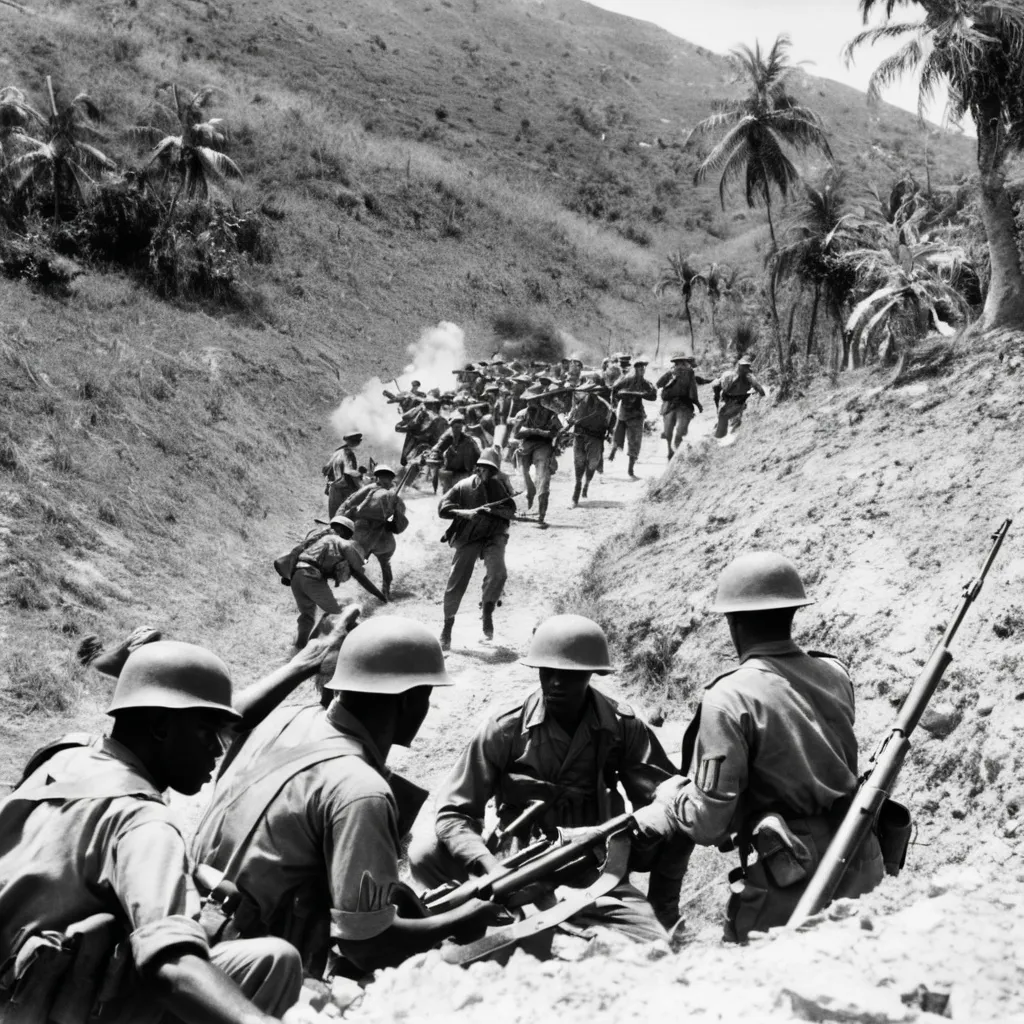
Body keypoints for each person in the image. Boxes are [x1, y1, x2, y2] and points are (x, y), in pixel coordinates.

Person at [0, 640, 323, 1024]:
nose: (218, 751)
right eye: (208, 734)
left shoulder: (66, 754)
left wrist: (190, 870)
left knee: (271, 958)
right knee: (255, 967)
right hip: (43, 1006)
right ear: (159, 728)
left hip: (14, 975)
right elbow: (171, 968)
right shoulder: (145, 823)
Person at [192, 618, 506, 980]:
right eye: (427, 695)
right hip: (253, 970)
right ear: (410, 701)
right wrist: (466, 917)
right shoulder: (361, 790)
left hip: (197, 929)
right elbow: (369, 948)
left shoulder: (281, 719)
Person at [631, 552, 885, 943]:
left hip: (792, 872)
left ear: (733, 622)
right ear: (792, 612)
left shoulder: (728, 697)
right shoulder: (835, 673)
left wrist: (674, 796)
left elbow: (708, 822)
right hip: (859, 851)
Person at [408, 614, 692, 940]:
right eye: (548, 671)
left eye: (569, 674)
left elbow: (670, 799)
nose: (556, 682)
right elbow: (453, 812)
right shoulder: (506, 727)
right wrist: (491, 867)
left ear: (591, 673)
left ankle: (662, 917)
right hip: (515, 860)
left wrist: (629, 834)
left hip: (590, 865)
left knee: (651, 941)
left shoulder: (621, 726)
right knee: (426, 853)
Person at [435, 448, 516, 650]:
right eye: (483, 469)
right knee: (457, 579)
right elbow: (443, 509)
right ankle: (447, 627)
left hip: (494, 535)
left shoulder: (498, 486)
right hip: (469, 536)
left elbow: (510, 510)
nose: (486, 473)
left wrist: (495, 511)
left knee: (498, 573)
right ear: (476, 468)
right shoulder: (463, 486)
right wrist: (465, 513)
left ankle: (487, 611)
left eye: (490, 470)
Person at [289, 514, 366, 649]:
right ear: (343, 531)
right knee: (336, 613)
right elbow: (357, 567)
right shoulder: (341, 542)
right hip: (311, 576)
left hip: (297, 575)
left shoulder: (317, 539)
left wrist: (289, 576)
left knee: (307, 616)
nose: (348, 537)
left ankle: (299, 647)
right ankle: (315, 646)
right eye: (348, 534)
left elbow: (295, 552)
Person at [337, 465, 407, 602]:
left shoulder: (388, 495)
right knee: (383, 562)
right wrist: (391, 517)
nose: (386, 481)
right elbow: (398, 518)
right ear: (379, 478)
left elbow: (348, 504)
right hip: (380, 536)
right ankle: (383, 591)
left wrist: (338, 521)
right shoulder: (389, 494)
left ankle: (364, 590)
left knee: (360, 558)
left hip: (369, 532)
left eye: (387, 478)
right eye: (385, 478)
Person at [510, 385, 562, 528]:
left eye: (532, 400)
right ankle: (528, 502)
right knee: (523, 477)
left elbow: (556, 432)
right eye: (528, 400)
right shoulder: (522, 413)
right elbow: (516, 433)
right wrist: (536, 431)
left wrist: (547, 434)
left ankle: (540, 515)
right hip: (526, 446)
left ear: (539, 400)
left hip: (543, 447)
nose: (529, 403)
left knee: (543, 479)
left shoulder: (550, 414)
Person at [566, 373, 613, 507]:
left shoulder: (604, 402)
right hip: (580, 436)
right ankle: (577, 489)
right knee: (579, 462)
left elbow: (610, 418)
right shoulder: (580, 399)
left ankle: (586, 483)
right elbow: (571, 415)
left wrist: (610, 432)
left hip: (596, 437)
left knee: (592, 463)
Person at [655, 355, 712, 459]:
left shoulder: (670, 373)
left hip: (669, 404)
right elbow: (692, 391)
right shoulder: (689, 372)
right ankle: (675, 450)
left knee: (669, 430)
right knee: (681, 431)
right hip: (683, 404)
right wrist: (698, 404)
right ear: (683, 362)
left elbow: (658, 384)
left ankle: (671, 450)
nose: (681, 366)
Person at [609, 356, 657, 478]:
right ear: (635, 369)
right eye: (639, 368)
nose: (641, 370)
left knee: (635, 441)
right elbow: (614, 389)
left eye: (643, 368)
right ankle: (613, 452)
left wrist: (641, 394)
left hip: (636, 414)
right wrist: (616, 401)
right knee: (618, 434)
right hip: (624, 412)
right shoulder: (626, 380)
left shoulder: (645, 383)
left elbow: (653, 396)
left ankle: (630, 469)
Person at [428, 412, 482, 494]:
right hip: (450, 470)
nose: (458, 429)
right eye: (455, 427)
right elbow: (437, 448)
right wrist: (435, 453)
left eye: (459, 426)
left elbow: (478, 453)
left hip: (465, 470)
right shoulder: (447, 438)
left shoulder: (468, 440)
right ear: (452, 426)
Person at [713, 357, 765, 439]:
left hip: (740, 399)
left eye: (747, 366)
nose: (745, 368)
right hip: (727, 397)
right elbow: (717, 386)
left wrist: (763, 399)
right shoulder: (729, 376)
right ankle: (719, 432)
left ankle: (722, 435)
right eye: (743, 366)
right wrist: (717, 401)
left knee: (724, 415)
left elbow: (759, 388)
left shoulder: (749, 377)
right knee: (722, 414)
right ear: (739, 366)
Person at [322, 432, 363, 518]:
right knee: (344, 517)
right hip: (343, 489)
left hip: (333, 487)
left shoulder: (337, 452)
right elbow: (349, 472)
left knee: (334, 518)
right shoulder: (347, 453)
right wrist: (362, 487)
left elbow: (326, 470)